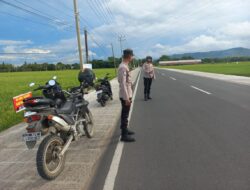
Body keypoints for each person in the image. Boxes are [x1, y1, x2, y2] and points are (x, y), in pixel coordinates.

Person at [118, 49, 135, 142]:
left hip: (127, 94)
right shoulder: (123, 67)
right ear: (129, 56)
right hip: (126, 95)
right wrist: (126, 98)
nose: (132, 57)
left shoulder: (125, 66)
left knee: (126, 113)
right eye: (132, 56)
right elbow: (123, 84)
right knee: (124, 115)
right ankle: (124, 135)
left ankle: (125, 129)